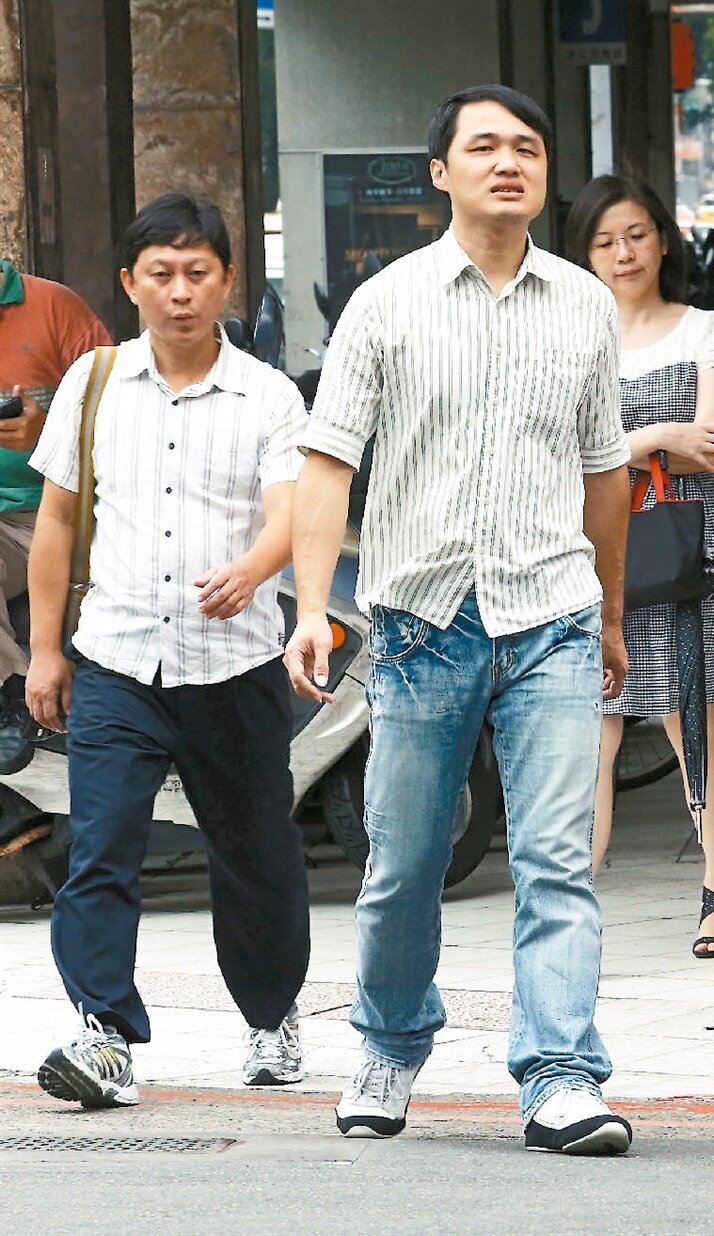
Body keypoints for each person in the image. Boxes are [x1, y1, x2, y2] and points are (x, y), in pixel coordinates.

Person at [284, 84, 634, 1155]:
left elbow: (606, 472)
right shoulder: (384, 304)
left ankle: (561, 1075)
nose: (506, 162)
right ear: (439, 173)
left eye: (525, 147)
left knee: (556, 858)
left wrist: (611, 615)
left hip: (554, 617)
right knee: (402, 863)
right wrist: (308, 607)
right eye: (482, 147)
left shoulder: (584, 304)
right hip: (420, 624)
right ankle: (389, 1047)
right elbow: (327, 462)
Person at [25, 192, 310, 1108]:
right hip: (118, 660)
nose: (180, 293)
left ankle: (271, 1015)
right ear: (129, 284)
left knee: (256, 854)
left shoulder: (268, 394)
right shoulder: (94, 381)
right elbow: (59, 520)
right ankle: (104, 1032)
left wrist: (254, 568)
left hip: (236, 666)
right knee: (101, 844)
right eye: (161, 275)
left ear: (228, 281)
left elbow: (290, 513)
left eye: (198, 274)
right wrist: (44, 652)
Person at [568, 174, 714, 957]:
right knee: (592, 730)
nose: (624, 252)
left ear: (663, 240)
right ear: (584, 254)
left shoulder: (703, 328)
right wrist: (657, 438)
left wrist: (618, 445)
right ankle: (569, 904)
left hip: (687, 550)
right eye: (605, 240)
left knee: (695, 721)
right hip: (589, 555)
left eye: (637, 234)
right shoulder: (572, 337)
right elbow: (558, 458)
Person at [0, 260, 111, 770]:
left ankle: (11, 692)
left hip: (44, 517)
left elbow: (120, 431)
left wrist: (46, 434)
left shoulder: (55, 309)